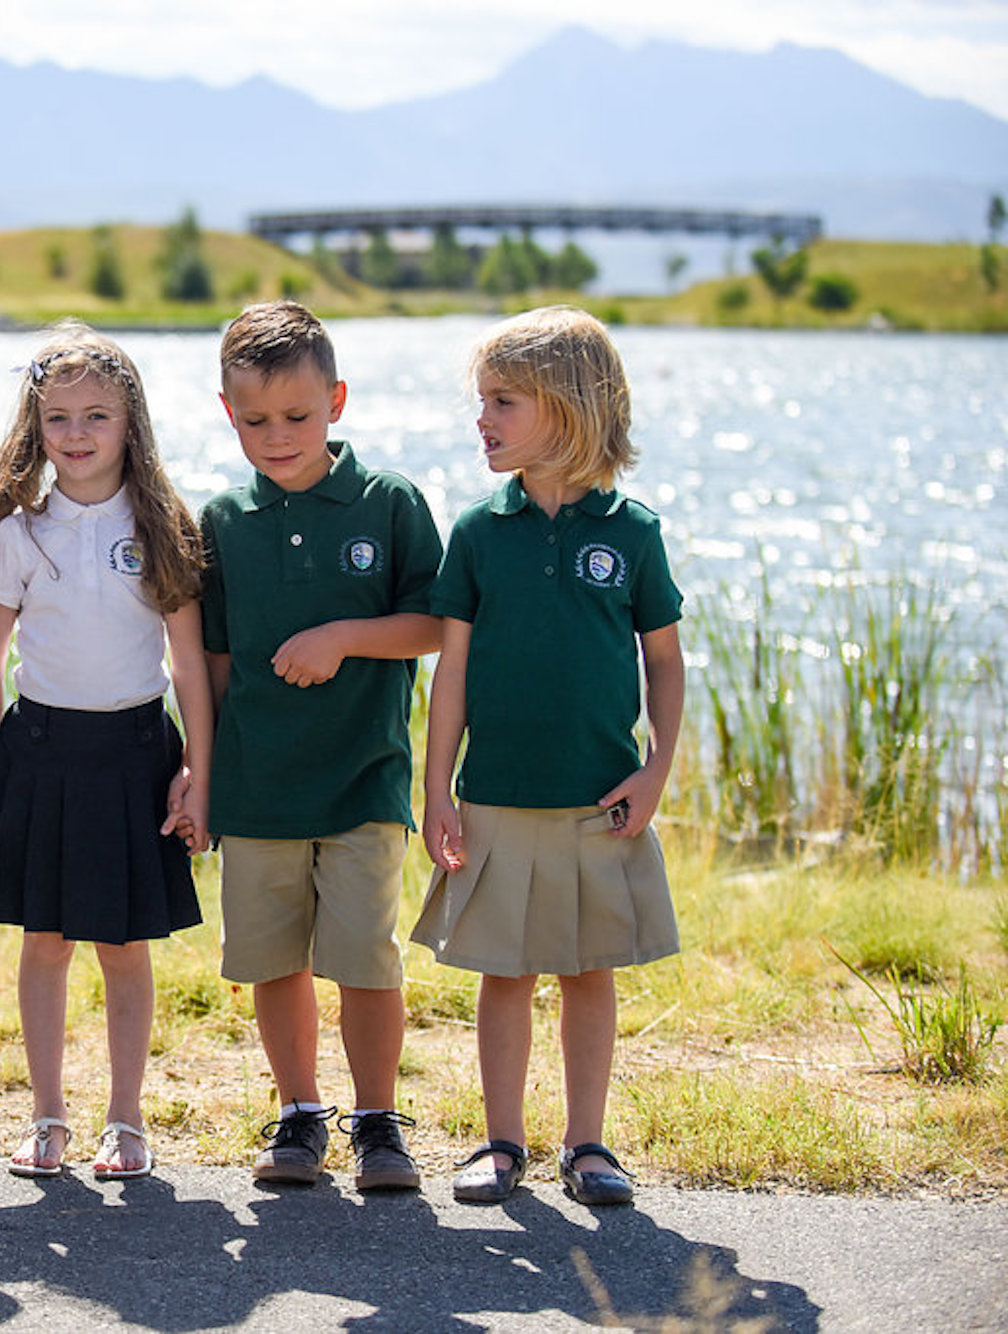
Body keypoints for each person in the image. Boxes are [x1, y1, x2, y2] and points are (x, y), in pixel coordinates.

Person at [414, 305, 684, 1207]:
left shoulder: (633, 533)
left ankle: (588, 1145)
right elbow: (450, 673)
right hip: (494, 796)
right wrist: (437, 785)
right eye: (481, 402)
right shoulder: (480, 532)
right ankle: (501, 1142)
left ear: (567, 407)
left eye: (503, 402)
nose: (482, 420)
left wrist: (657, 772)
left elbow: (664, 665)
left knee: (587, 971)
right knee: (505, 971)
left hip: (597, 801)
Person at [0, 321, 212, 1182]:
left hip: (136, 753)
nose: (79, 434)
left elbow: (189, 669)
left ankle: (126, 1120)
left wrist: (196, 770)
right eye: (59, 418)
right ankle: (48, 1117)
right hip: (41, 750)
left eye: (98, 415)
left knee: (125, 947)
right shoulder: (19, 528)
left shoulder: (164, 522)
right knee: (46, 940)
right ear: (35, 426)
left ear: (130, 422)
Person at [199, 301, 443, 1192]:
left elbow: (435, 626)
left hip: (363, 779)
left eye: (297, 416)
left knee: (365, 958)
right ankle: (300, 1112)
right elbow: (213, 661)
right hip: (259, 785)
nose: (277, 435)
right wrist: (204, 771)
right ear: (228, 412)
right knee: (274, 957)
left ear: (336, 400)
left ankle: (379, 1120)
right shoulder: (222, 521)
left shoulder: (391, 504)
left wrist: (344, 634)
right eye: (255, 419)